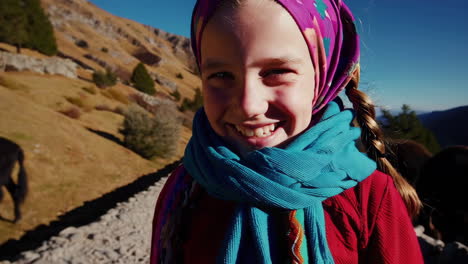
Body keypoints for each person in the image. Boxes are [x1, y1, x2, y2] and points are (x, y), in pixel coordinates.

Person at [150, 0, 424, 263]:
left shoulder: (369, 198)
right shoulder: (184, 188)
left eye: (277, 71)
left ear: (323, 77)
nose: (248, 106)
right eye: (220, 75)